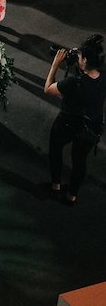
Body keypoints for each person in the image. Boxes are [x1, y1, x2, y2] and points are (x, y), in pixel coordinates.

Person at [45, 34, 106, 204]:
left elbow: (48, 89)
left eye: (80, 55)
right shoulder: (103, 79)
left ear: (85, 59)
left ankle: (55, 187)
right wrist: (80, 65)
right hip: (90, 127)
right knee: (80, 160)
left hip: (67, 124)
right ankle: (71, 196)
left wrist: (56, 64)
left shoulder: (73, 83)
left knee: (55, 149)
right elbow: (90, 80)